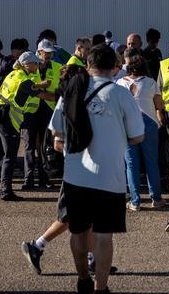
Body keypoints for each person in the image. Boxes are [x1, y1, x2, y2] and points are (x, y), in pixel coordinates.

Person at [53, 45, 145, 294]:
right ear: (113, 68)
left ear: (88, 65)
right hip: (110, 178)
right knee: (104, 236)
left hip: (75, 175)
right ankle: (100, 287)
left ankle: (82, 278)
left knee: (78, 231)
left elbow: (56, 132)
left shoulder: (71, 91)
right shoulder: (121, 94)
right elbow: (137, 137)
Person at [20, 64, 117, 277]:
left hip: (89, 171)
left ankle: (92, 258)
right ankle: (37, 246)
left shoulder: (84, 101)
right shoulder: (65, 103)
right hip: (76, 172)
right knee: (69, 217)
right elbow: (57, 142)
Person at [0, 52, 45, 201]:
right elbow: (42, 95)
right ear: (27, 64)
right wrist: (62, 95)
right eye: (35, 63)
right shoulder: (24, 80)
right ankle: (6, 191)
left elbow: (31, 87)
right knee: (10, 154)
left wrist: (40, 84)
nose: (38, 65)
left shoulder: (13, 74)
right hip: (6, 117)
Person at [117, 54, 166, 211]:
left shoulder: (119, 83)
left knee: (131, 164)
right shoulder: (150, 82)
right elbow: (159, 104)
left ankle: (135, 201)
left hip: (127, 124)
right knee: (151, 161)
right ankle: (156, 198)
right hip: (148, 121)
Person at [22, 40, 61, 190]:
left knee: (45, 147)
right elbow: (34, 91)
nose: (48, 55)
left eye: (50, 52)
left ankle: (44, 178)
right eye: (45, 52)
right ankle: (28, 179)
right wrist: (51, 95)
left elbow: (61, 88)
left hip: (48, 111)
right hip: (30, 111)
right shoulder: (30, 67)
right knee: (29, 146)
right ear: (38, 52)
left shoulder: (57, 67)